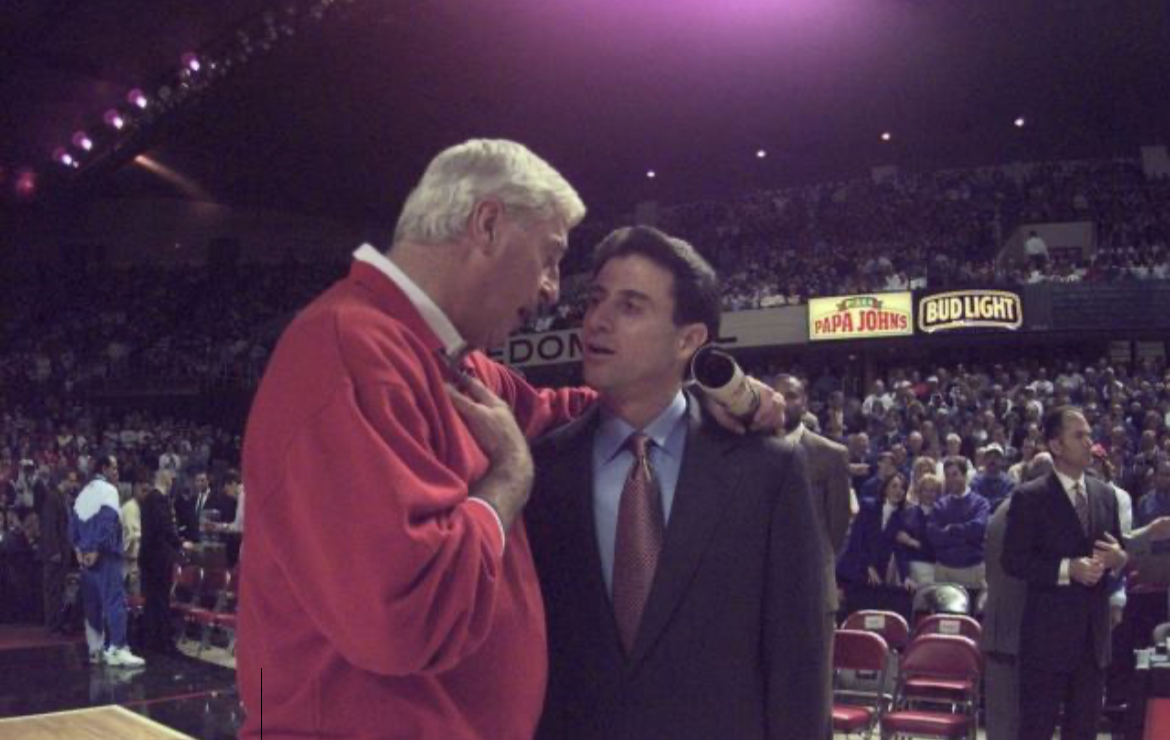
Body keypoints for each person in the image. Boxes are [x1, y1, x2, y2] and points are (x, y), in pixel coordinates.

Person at [236, 140, 782, 740]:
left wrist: (707, 393)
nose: (553, 290)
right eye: (549, 258)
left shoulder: (444, 358)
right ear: (488, 225)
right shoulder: (347, 349)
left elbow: (564, 411)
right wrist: (507, 481)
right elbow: (404, 618)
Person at [527, 226, 828, 740]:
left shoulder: (767, 471)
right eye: (596, 300)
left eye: (631, 306)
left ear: (688, 339)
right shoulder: (543, 469)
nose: (597, 320)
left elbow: (797, 663)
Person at [1002, 406, 1128, 740]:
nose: (1090, 442)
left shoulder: (1105, 494)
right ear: (1056, 446)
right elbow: (1012, 561)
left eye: (1089, 434)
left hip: (1093, 639)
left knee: (1084, 732)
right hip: (1046, 639)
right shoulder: (1030, 497)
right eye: (1080, 435)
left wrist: (1119, 558)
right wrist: (1066, 569)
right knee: (1036, 730)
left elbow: (1114, 552)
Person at [69, 455, 145, 668]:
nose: (117, 472)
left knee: (92, 604)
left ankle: (95, 649)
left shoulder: (84, 491)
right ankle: (118, 649)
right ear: (103, 468)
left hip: (85, 559)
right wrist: (95, 547)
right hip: (105, 555)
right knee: (115, 601)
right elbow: (108, 520)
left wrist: (78, 548)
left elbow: (72, 523)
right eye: (114, 467)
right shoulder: (109, 490)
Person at [139, 469, 189, 653]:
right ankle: (162, 641)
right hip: (159, 560)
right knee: (160, 599)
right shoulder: (160, 501)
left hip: (148, 558)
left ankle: (151, 640)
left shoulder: (146, 501)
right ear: (166, 481)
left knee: (151, 600)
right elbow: (165, 529)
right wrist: (180, 543)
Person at [40, 473, 77, 634]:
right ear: (64, 480)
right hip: (56, 553)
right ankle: (52, 624)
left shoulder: (62, 498)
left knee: (59, 588)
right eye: (72, 480)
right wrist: (54, 551)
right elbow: (49, 526)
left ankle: (57, 622)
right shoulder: (52, 498)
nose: (74, 484)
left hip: (63, 551)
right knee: (52, 589)